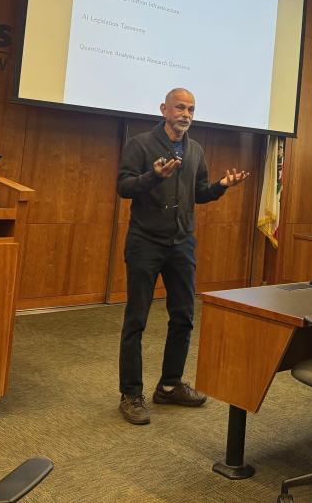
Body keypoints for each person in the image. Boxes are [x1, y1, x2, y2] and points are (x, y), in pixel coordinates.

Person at [117, 88, 250, 425]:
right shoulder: (141, 145)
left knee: (184, 316)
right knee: (137, 319)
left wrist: (221, 184)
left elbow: (200, 193)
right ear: (164, 109)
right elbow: (124, 187)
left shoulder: (196, 150)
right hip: (145, 242)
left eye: (191, 109)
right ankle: (131, 393)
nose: (186, 114)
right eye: (179, 107)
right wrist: (153, 176)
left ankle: (170, 385)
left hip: (182, 243)